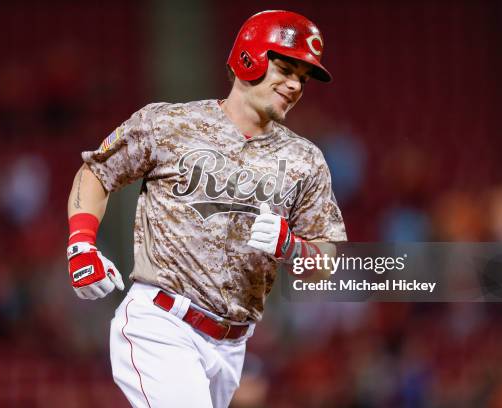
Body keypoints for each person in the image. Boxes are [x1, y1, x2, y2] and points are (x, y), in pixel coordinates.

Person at [66, 10, 346, 408]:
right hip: (161, 323)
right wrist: (81, 244)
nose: (295, 85)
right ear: (248, 58)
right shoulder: (170, 123)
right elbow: (96, 172)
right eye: (286, 68)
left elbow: (326, 263)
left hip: (232, 347)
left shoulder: (306, 160)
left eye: (302, 78)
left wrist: (293, 248)